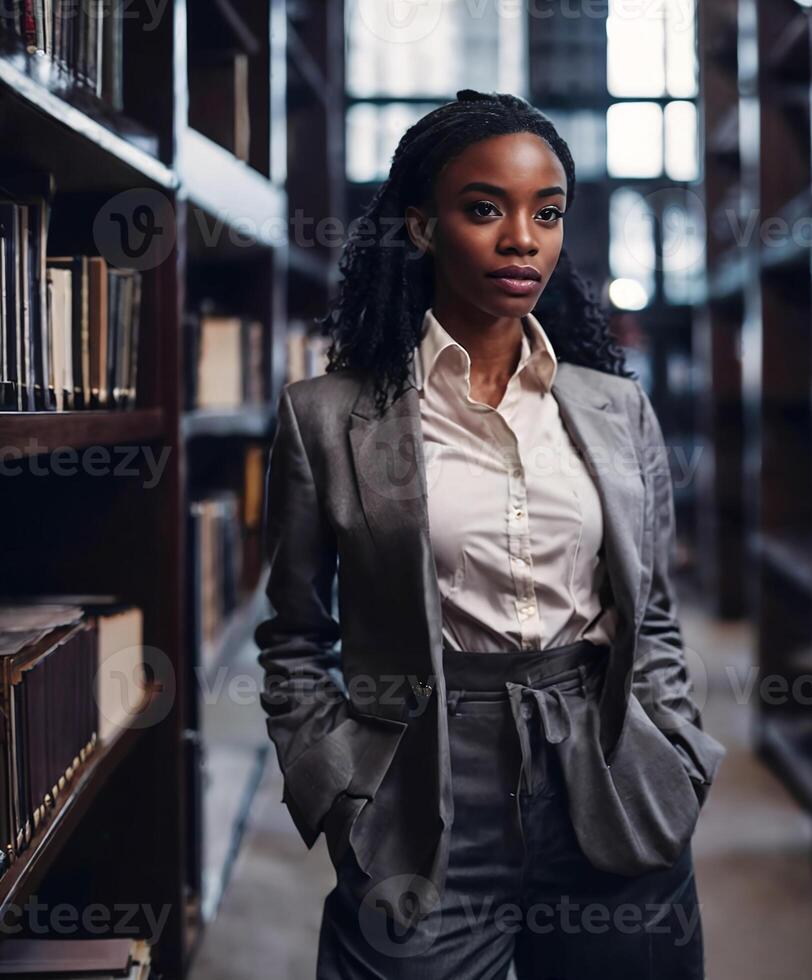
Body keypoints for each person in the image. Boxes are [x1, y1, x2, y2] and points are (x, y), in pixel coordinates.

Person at [254, 89, 726, 980]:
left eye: (547, 214)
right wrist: (341, 791)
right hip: (422, 786)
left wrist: (674, 748)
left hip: (610, 771)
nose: (522, 239)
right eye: (484, 209)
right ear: (423, 228)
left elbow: (650, 611)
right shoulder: (327, 419)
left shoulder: (615, 409)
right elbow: (294, 634)